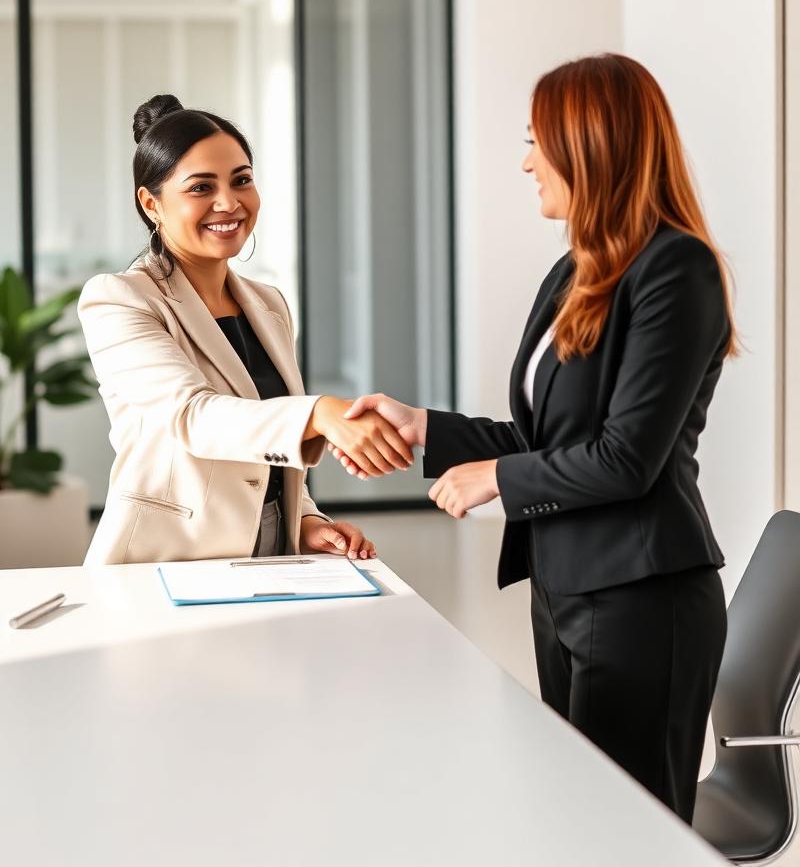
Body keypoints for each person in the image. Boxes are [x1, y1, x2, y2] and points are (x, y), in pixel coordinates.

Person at [329, 53, 738, 823]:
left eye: (535, 143)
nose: (526, 163)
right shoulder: (575, 271)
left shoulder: (677, 268)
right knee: (576, 819)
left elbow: (626, 459)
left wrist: (494, 478)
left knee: (626, 835)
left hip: (642, 599)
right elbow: (544, 434)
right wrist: (427, 428)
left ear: (591, 146)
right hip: (563, 588)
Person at [78, 94, 412, 566]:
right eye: (201, 187)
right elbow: (192, 416)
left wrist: (305, 520)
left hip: (270, 549)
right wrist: (319, 412)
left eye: (241, 180)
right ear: (151, 204)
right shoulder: (120, 298)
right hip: (168, 559)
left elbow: (263, 440)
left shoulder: (269, 304)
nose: (229, 202)